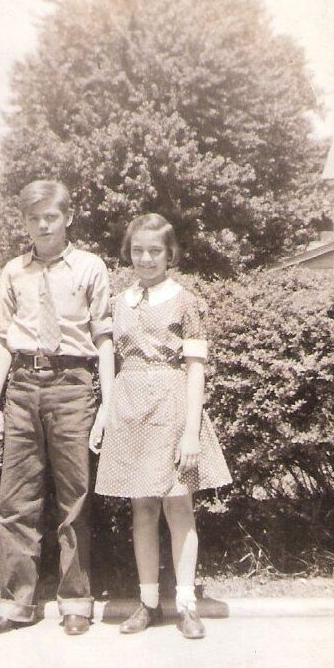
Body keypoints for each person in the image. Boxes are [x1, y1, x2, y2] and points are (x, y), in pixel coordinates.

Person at [0, 179, 114, 636]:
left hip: (73, 385)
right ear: (25, 222)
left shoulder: (90, 267)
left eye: (51, 217)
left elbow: (104, 338)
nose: (43, 225)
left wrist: (107, 404)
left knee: (74, 498)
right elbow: (3, 340)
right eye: (34, 218)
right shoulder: (13, 272)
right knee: (15, 499)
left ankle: (75, 602)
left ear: (68, 217)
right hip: (22, 385)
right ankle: (16, 604)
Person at [94, 214, 232, 639]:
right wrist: (107, 411)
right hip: (130, 409)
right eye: (138, 250)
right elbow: (110, 359)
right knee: (143, 509)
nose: (146, 258)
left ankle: (186, 604)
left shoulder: (186, 301)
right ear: (128, 253)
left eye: (155, 250)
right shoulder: (119, 302)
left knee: (178, 506)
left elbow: (195, 369)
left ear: (170, 253)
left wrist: (190, 431)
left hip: (172, 408)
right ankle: (149, 603)